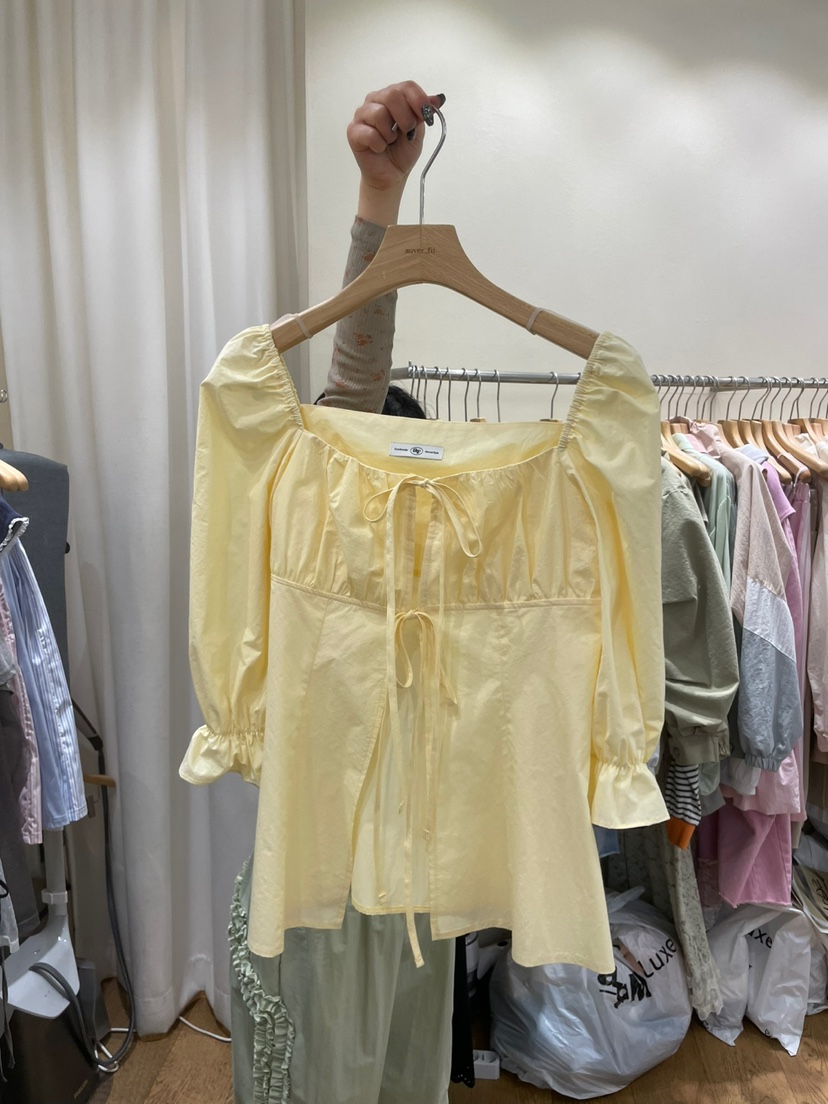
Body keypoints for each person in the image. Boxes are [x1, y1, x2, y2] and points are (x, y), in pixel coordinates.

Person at [229, 83, 466, 1104]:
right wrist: (378, 206)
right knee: (316, 1066)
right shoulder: (319, 530)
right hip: (320, 875)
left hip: (418, 881)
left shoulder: (470, 551)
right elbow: (353, 389)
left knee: (402, 1068)